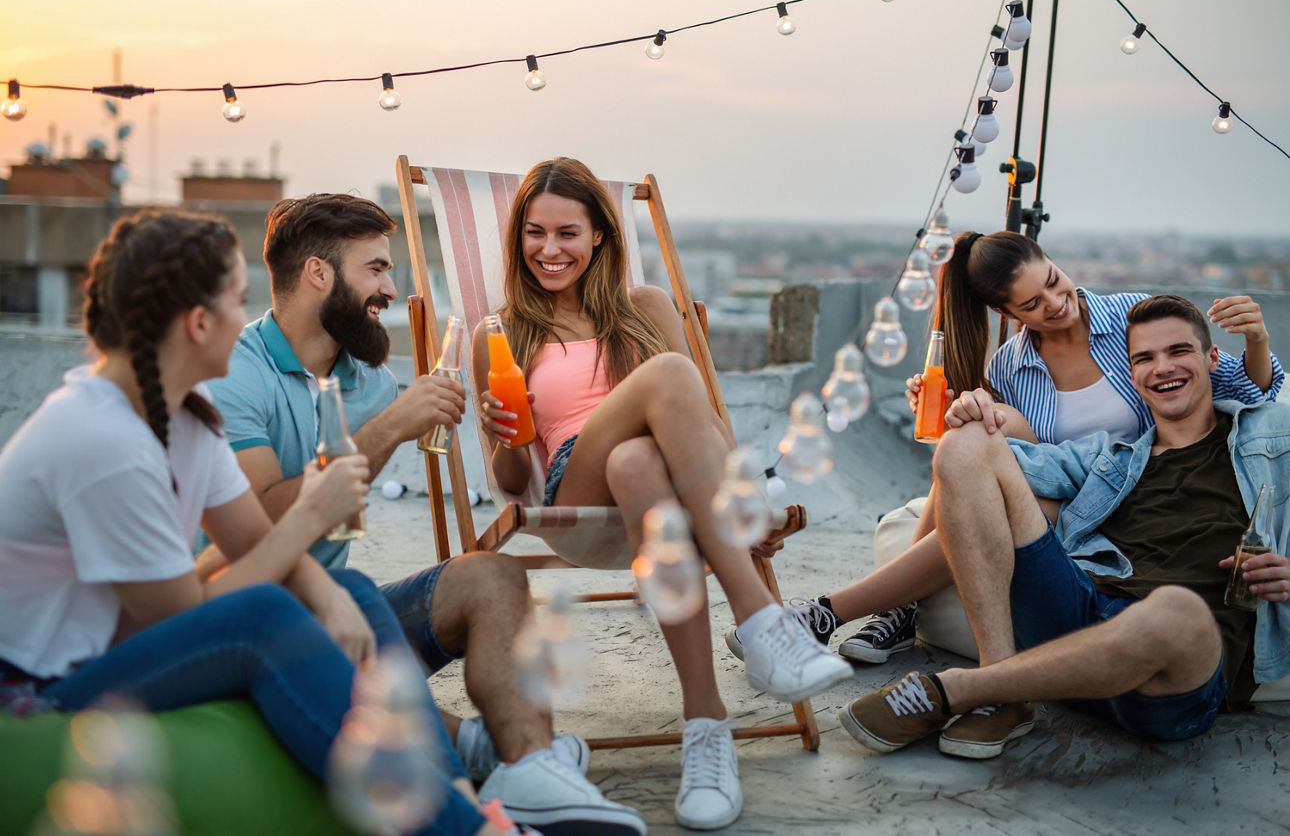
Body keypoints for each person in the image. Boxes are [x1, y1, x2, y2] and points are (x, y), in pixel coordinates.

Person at [0, 210, 531, 836]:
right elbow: (190, 616)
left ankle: (455, 801)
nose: (247, 315)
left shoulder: (187, 418)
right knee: (264, 616)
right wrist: (311, 511)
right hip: (37, 687)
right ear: (198, 324)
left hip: (113, 651)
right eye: (234, 299)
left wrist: (331, 599)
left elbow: (252, 537)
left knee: (352, 590)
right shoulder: (102, 439)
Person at [201, 194, 643, 834]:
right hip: (250, 611)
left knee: (491, 576)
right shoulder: (238, 374)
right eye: (375, 270)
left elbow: (338, 514)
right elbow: (264, 524)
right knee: (338, 612)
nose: (389, 288)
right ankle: (482, 769)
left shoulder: (369, 379)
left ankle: (529, 770)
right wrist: (389, 428)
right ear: (320, 275)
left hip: (336, 609)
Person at [472, 156, 852, 831]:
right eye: (535, 232)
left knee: (639, 460)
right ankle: (763, 623)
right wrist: (502, 436)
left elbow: (699, 426)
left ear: (600, 239)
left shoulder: (643, 307)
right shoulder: (501, 332)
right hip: (572, 487)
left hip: (659, 491)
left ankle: (707, 728)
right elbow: (508, 482)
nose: (549, 249)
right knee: (671, 376)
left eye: (568, 233)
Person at [752, 230, 1283, 672]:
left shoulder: (1130, 317)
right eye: (1032, 304)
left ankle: (854, 611)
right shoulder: (1011, 364)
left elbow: (1249, 389)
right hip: (1067, 487)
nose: (1055, 303)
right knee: (977, 430)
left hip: (1127, 488)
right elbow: (1014, 457)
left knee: (987, 450)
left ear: (1054, 263)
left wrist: (1256, 341)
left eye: (1053, 281)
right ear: (1008, 313)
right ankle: (845, 613)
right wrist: (961, 407)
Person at [839, 294, 1290, 761]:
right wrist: (973, 409)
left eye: (1178, 351)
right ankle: (1002, 694)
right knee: (966, 442)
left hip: (1173, 676)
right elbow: (999, 458)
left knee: (1176, 610)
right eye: (1144, 358)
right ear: (1132, 374)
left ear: (1212, 358)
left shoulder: (1274, 433)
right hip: (1077, 613)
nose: (1162, 368)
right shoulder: (1110, 457)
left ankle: (961, 689)